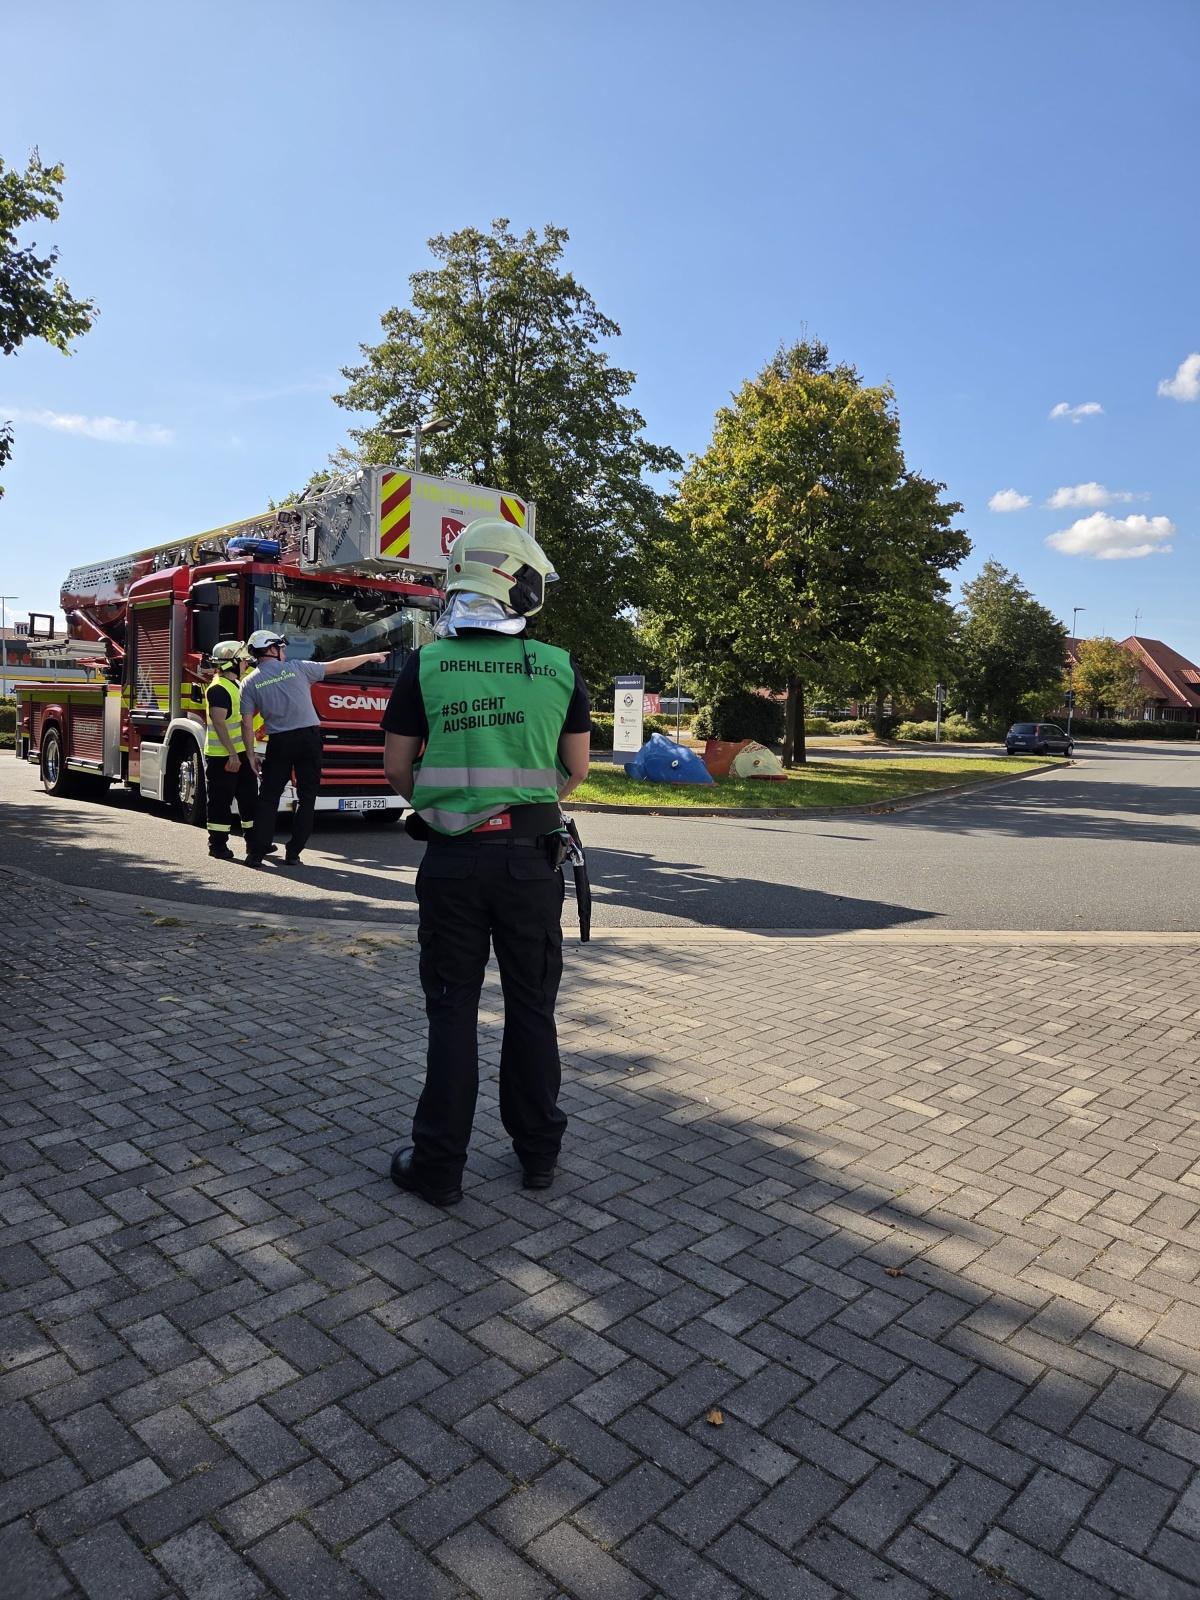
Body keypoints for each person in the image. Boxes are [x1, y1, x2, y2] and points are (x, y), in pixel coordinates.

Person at [381, 517, 590, 1207]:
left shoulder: (428, 664)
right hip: (532, 865)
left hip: (452, 864)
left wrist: (450, 803)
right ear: (521, 587)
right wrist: (524, 801)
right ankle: (538, 1155)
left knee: (453, 1013)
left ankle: (439, 1166)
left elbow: (397, 769)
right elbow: (576, 770)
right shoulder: (558, 666)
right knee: (532, 1009)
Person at [239, 630, 389, 867]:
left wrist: (250, 756)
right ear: (271, 649)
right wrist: (369, 656)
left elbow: (246, 723)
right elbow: (338, 666)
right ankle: (293, 853)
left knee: (268, 798)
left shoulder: (249, 682)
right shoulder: (298, 668)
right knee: (307, 798)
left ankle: (256, 854)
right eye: (281, 647)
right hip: (308, 738)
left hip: (279, 742)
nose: (284, 652)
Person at [203, 640, 267, 863]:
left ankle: (255, 843)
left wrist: (250, 754)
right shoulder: (218, 689)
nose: (246, 664)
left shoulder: (236, 685)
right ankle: (218, 846)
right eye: (242, 660)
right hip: (223, 757)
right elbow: (219, 722)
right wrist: (232, 754)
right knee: (221, 802)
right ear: (231, 663)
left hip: (240, 754)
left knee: (250, 800)